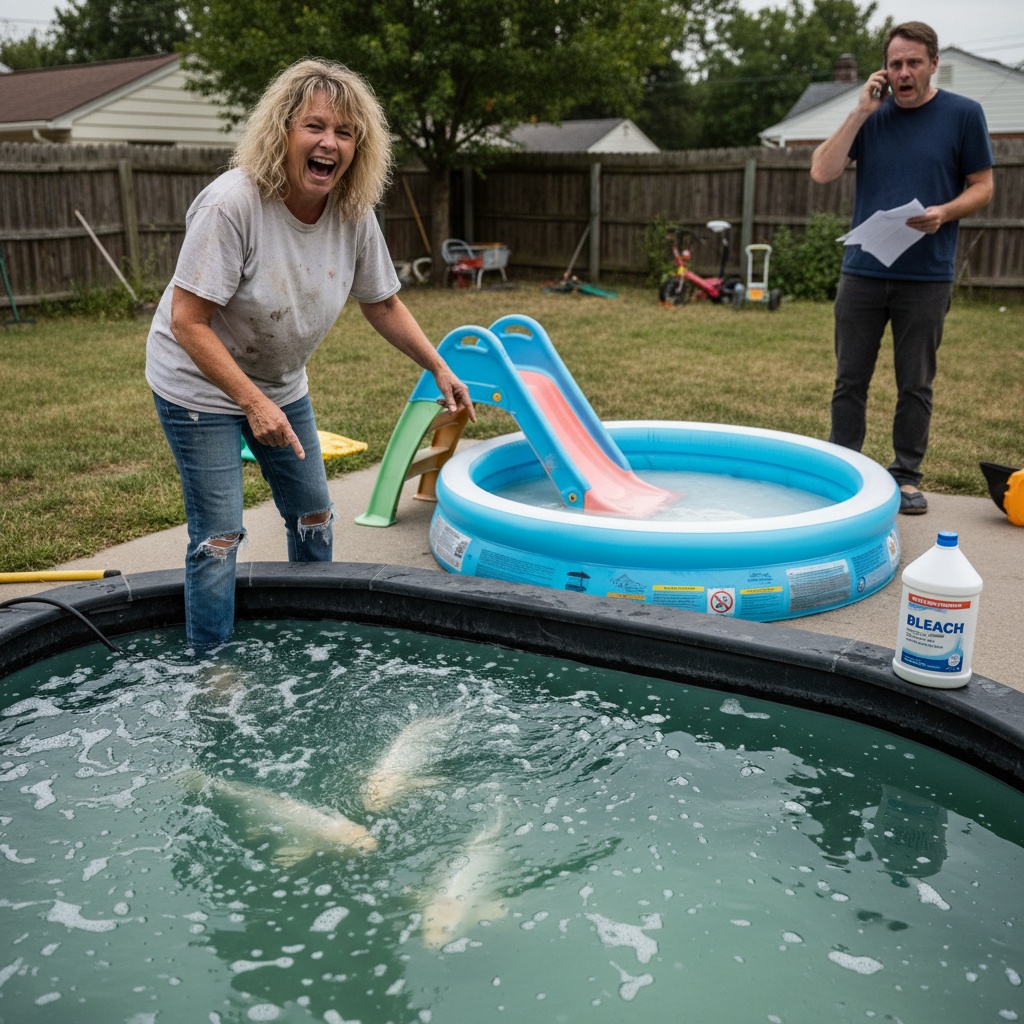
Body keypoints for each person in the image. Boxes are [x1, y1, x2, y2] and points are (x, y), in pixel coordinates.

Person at [146, 58, 475, 649]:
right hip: (197, 383)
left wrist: (438, 366)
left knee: (315, 516)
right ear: (282, 132)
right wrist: (250, 405)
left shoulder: (353, 214)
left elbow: (383, 304)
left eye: (345, 133)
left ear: (359, 147)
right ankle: (212, 664)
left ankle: (312, 642)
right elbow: (188, 322)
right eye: (315, 127)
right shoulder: (232, 205)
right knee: (219, 535)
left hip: (279, 381)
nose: (330, 143)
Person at [810, 22, 994, 515]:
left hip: (927, 275)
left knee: (915, 383)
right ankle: (844, 470)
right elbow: (822, 171)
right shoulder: (871, 116)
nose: (904, 72)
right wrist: (860, 110)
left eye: (913, 62)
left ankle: (906, 476)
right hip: (863, 271)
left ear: (933, 63)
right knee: (850, 380)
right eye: (895, 64)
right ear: (884, 71)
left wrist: (944, 212)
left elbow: (983, 185)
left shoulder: (963, 115)